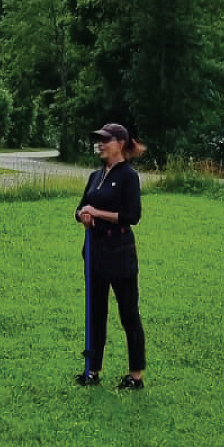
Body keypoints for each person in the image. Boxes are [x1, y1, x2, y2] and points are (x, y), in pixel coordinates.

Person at [75, 121, 147, 389]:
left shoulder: (129, 176)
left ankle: (135, 376)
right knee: (95, 313)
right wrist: (83, 215)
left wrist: (97, 213)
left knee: (128, 314)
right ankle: (92, 370)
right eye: (99, 140)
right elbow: (81, 208)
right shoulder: (95, 175)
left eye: (105, 140)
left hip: (120, 253)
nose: (100, 144)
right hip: (95, 253)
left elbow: (132, 215)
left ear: (120, 143)